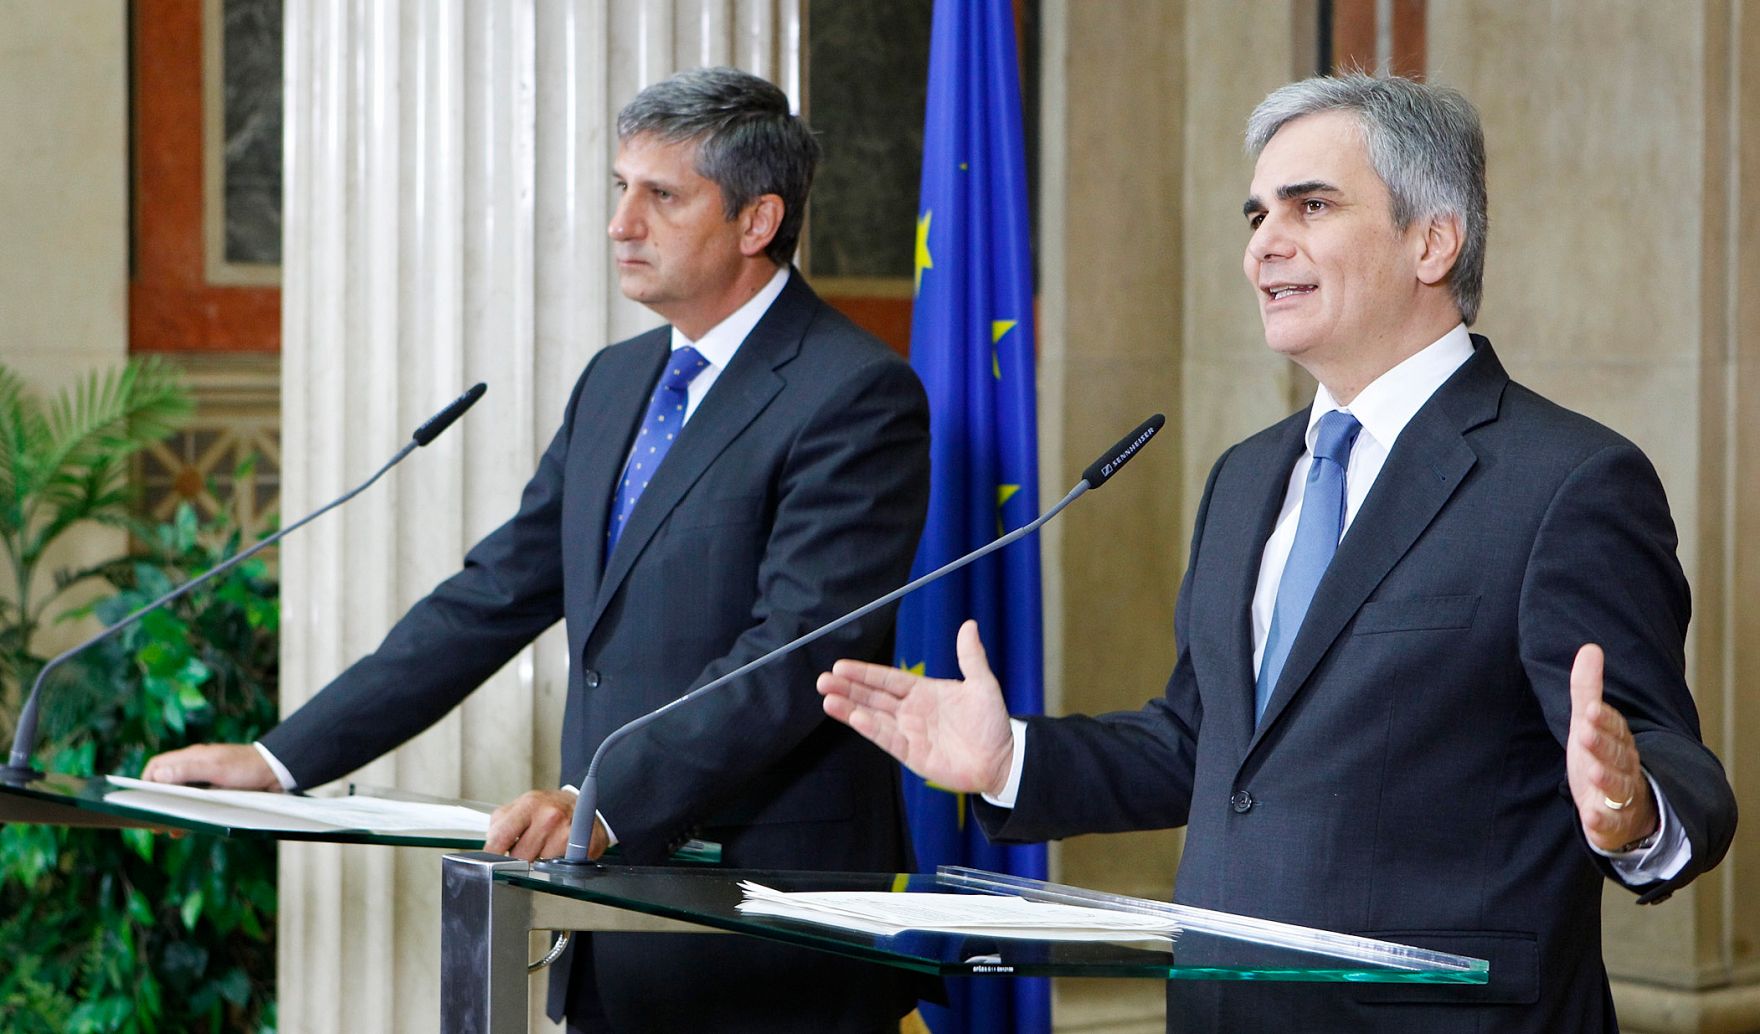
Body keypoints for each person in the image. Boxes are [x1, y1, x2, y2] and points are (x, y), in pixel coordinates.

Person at [818, 73, 1737, 1033]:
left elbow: (1665, 755)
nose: (1264, 242)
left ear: (1433, 239)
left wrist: (1639, 812)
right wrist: (1014, 758)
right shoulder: (1249, 475)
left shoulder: (1567, 481)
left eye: (1311, 206)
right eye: (1257, 213)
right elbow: (1203, 743)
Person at [145, 67, 931, 1034]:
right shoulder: (617, 381)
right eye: (619, 188)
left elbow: (792, 651)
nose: (621, 224)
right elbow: (493, 598)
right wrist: (281, 759)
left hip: (766, 931)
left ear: (757, 221)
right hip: (605, 919)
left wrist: (599, 804)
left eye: (662, 196)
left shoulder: (853, 394)